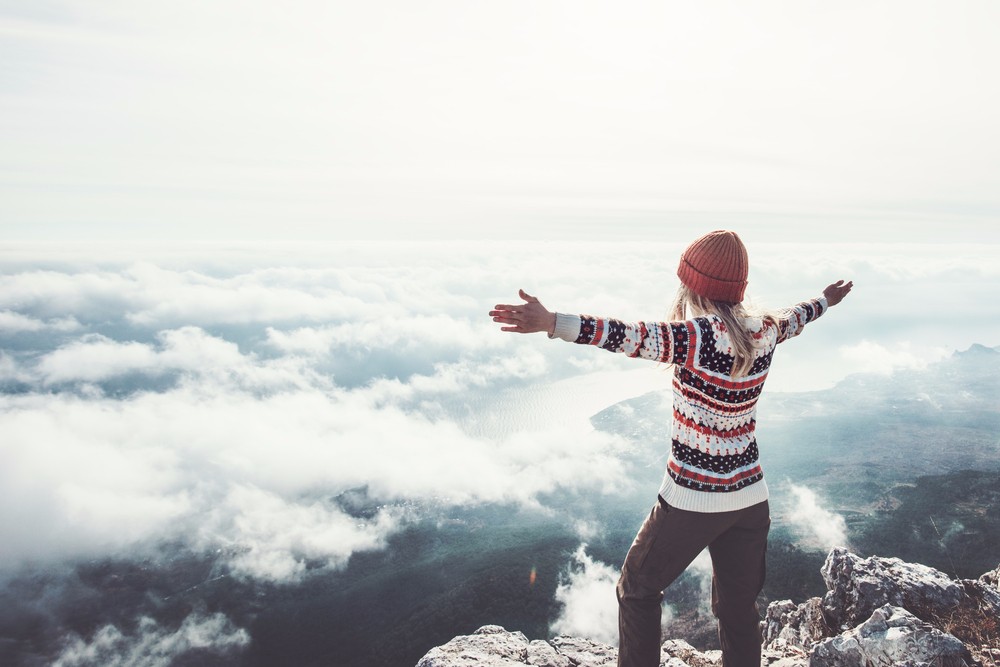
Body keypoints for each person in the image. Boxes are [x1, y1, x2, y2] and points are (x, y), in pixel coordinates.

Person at [488, 230, 853, 667]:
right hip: (751, 498)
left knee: (637, 588)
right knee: (737, 609)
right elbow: (797, 316)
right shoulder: (766, 330)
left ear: (693, 285)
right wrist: (826, 300)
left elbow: (627, 335)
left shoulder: (697, 337)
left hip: (693, 499)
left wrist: (553, 323)